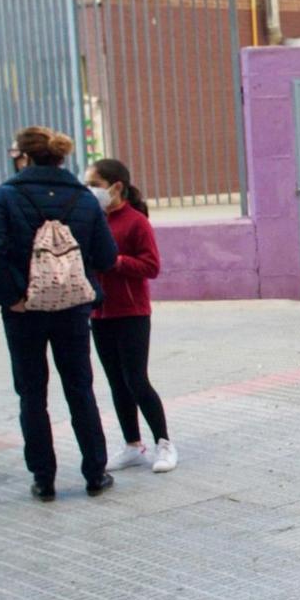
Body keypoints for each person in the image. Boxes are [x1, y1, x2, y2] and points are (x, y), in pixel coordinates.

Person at [0, 127, 119, 501]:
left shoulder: (5, 196)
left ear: (23, 157)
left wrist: (13, 292)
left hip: (24, 311)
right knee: (80, 388)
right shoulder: (84, 200)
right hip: (72, 309)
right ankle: (94, 472)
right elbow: (105, 256)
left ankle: (44, 478)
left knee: (32, 393)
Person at [85, 159, 176, 475]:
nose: (90, 191)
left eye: (94, 184)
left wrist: (117, 261)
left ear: (116, 186)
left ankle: (163, 442)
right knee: (116, 382)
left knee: (136, 379)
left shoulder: (136, 222)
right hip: (99, 311)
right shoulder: (93, 220)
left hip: (132, 312)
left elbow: (151, 266)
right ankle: (132, 445)